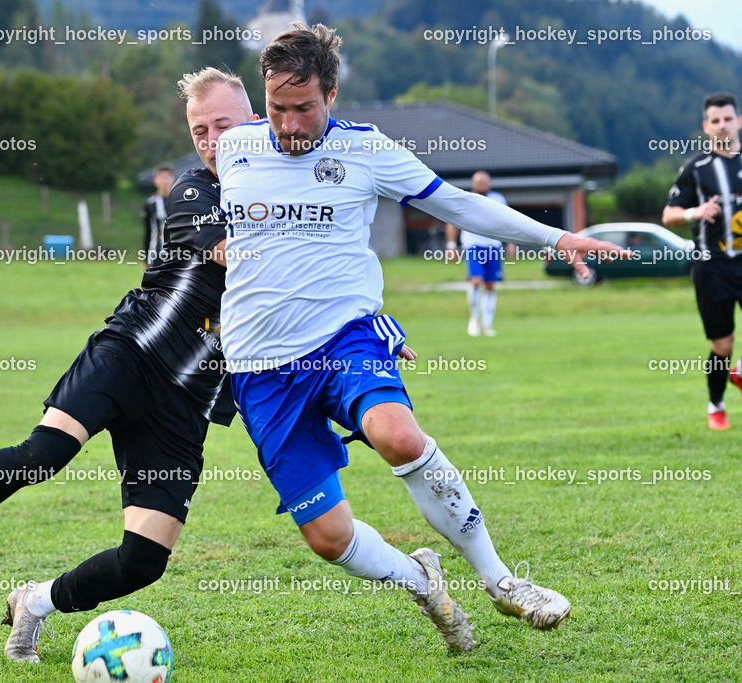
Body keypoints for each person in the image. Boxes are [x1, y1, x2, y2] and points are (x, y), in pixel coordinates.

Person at [216, 23, 630, 651]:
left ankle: (502, 582)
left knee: (398, 434)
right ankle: (421, 580)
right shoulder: (234, 147)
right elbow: (192, 189)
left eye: (304, 109)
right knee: (328, 539)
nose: (290, 124)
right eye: (277, 108)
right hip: (259, 368)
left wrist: (557, 237)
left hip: (342, 339)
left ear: (331, 95)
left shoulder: (366, 149)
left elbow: (460, 205)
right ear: (261, 99)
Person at [0, 67, 257, 663]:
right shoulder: (194, 190)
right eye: (199, 129)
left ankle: (34, 602)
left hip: (187, 399)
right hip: (133, 352)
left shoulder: (285, 198)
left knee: (144, 560)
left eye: (222, 124)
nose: (210, 138)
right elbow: (235, 255)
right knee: (43, 455)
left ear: (253, 122)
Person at [662, 92, 742, 430]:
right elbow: (668, 215)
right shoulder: (696, 169)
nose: (722, 126)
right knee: (722, 345)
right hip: (712, 267)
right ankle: (716, 403)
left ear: (739, 121)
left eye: (728, 119)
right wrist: (696, 211)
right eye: (716, 121)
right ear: (706, 126)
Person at [445, 171, 508, 337]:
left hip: (493, 246)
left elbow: (508, 221)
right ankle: (474, 319)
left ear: (490, 184)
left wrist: (512, 244)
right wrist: (451, 246)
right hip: (473, 245)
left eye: (484, 182)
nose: (481, 185)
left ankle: (487, 324)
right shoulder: (466, 199)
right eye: (478, 183)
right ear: (473, 184)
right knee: (475, 281)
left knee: (490, 285)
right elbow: (452, 222)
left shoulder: (498, 199)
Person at [142, 163, 176, 267]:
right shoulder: (150, 203)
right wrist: (145, 256)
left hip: (178, 253)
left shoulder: (181, 201)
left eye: (167, 177)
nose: (165, 181)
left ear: (173, 179)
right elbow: (148, 231)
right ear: (155, 180)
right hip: (155, 252)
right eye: (161, 177)